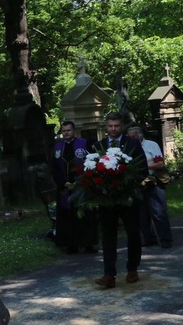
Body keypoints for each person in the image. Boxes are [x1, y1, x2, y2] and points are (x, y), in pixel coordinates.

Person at [91, 112, 149, 288]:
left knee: (133, 233)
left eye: (116, 126)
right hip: (106, 199)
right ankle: (109, 274)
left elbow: (142, 169)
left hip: (128, 198)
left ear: (122, 126)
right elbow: (92, 171)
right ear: (106, 127)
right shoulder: (98, 145)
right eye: (110, 126)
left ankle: (132, 268)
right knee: (108, 236)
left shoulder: (132, 143)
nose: (113, 129)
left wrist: (128, 184)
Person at [126, 126, 173, 249]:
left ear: (140, 135)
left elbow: (160, 163)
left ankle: (165, 238)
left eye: (133, 136)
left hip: (153, 181)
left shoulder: (151, 145)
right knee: (141, 213)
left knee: (158, 212)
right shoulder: (127, 147)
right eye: (129, 137)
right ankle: (148, 238)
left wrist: (143, 165)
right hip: (137, 183)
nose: (131, 139)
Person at [51, 120, 94, 253]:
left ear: (74, 131)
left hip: (82, 185)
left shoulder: (84, 144)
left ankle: (88, 244)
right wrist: (63, 183)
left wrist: (80, 181)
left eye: (68, 130)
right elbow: (54, 168)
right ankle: (71, 245)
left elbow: (91, 163)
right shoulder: (57, 147)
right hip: (65, 188)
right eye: (63, 131)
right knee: (68, 216)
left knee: (85, 215)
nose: (66, 133)